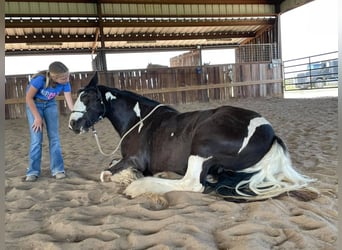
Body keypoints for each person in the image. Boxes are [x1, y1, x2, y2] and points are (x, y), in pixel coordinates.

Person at [25, 61, 74, 182]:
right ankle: (33, 171)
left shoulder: (65, 83)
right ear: (54, 77)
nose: (67, 79)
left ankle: (58, 169)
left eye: (67, 76)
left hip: (50, 105)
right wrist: (37, 117)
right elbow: (28, 98)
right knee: (37, 140)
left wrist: (76, 114)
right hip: (34, 104)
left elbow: (70, 104)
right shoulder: (39, 80)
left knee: (54, 138)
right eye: (63, 78)